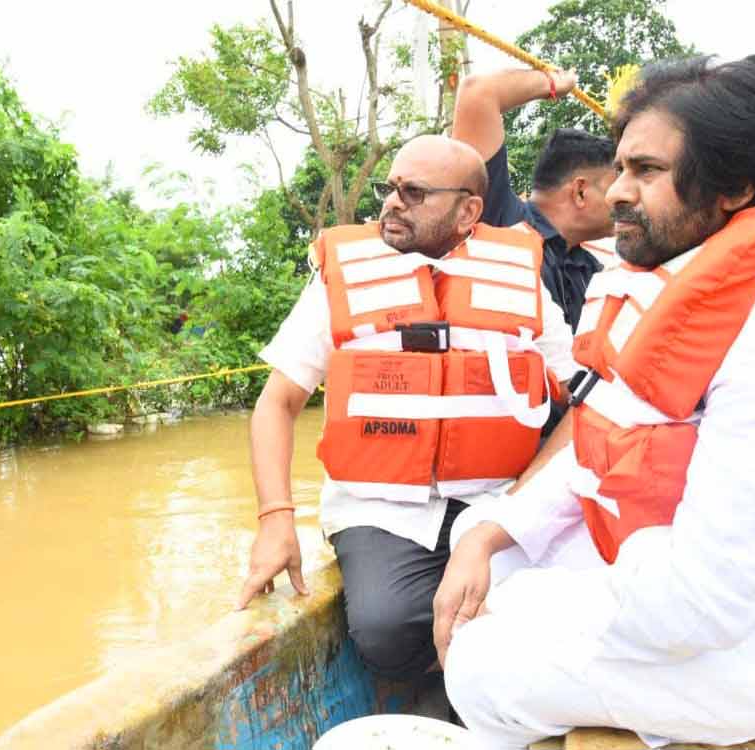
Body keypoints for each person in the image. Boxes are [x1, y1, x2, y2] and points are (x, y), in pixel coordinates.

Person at [434, 57, 755, 749]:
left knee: (478, 659)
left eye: (645, 171)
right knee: (489, 567)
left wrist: (523, 604)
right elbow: (605, 440)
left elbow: (703, 602)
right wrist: (490, 533)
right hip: (723, 593)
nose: (615, 192)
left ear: (733, 188)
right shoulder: (677, 282)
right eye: (620, 168)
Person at [234, 134, 578, 684]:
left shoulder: (517, 280)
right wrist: (276, 520)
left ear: (469, 211)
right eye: (390, 187)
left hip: (495, 500)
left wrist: (518, 503)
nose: (392, 202)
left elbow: (587, 401)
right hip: (381, 506)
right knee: (385, 630)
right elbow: (277, 402)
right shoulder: (340, 278)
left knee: (548, 605)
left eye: (414, 192)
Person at [451, 68, 616, 331]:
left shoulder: (592, 270)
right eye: (615, 186)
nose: (625, 195)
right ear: (580, 191)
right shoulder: (497, 219)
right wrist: (552, 83)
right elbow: (477, 93)